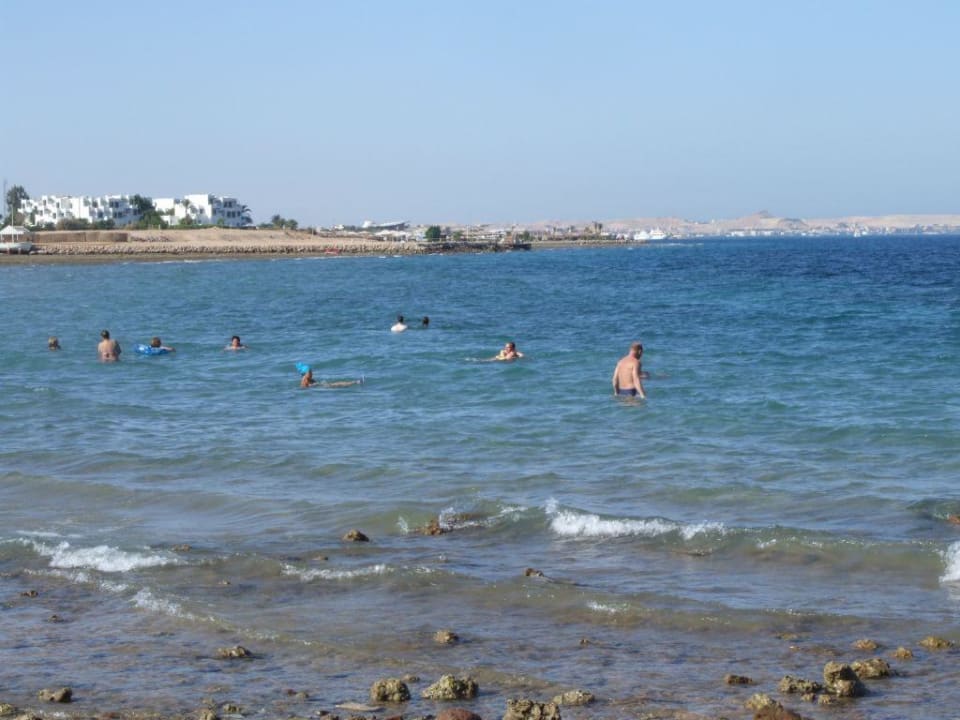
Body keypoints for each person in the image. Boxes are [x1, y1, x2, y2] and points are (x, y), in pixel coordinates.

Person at [298, 363, 363, 389]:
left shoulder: (309, 379)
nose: (312, 373)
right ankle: (355, 382)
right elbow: (304, 388)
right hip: (323, 387)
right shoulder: (305, 379)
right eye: (310, 372)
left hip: (323, 386)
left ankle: (354, 382)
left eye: (311, 372)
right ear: (305, 373)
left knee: (337, 384)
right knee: (337, 384)